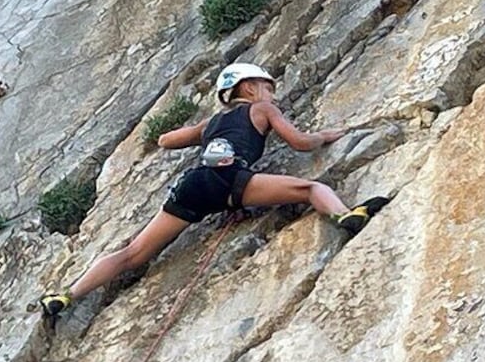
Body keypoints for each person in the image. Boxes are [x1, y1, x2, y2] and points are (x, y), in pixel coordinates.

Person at [38, 63, 388, 316]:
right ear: (248, 88)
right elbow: (299, 142)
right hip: (231, 181)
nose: (272, 93)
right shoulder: (263, 109)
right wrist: (326, 136)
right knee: (310, 188)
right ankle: (345, 215)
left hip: (193, 184)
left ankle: (67, 296)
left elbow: (165, 140)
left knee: (134, 253)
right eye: (267, 86)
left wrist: (198, 132)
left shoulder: (211, 123)